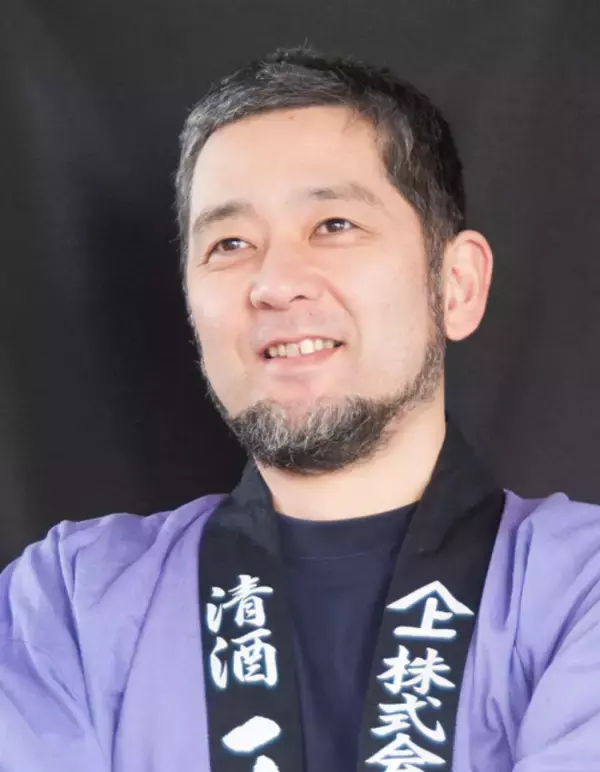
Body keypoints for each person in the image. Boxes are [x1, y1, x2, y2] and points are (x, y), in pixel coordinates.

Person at [1, 45, 600, 772]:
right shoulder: (69, 603)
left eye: (334, 225)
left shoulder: (578, 589)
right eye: (229, 244)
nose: (275, 283)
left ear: (457, 284)